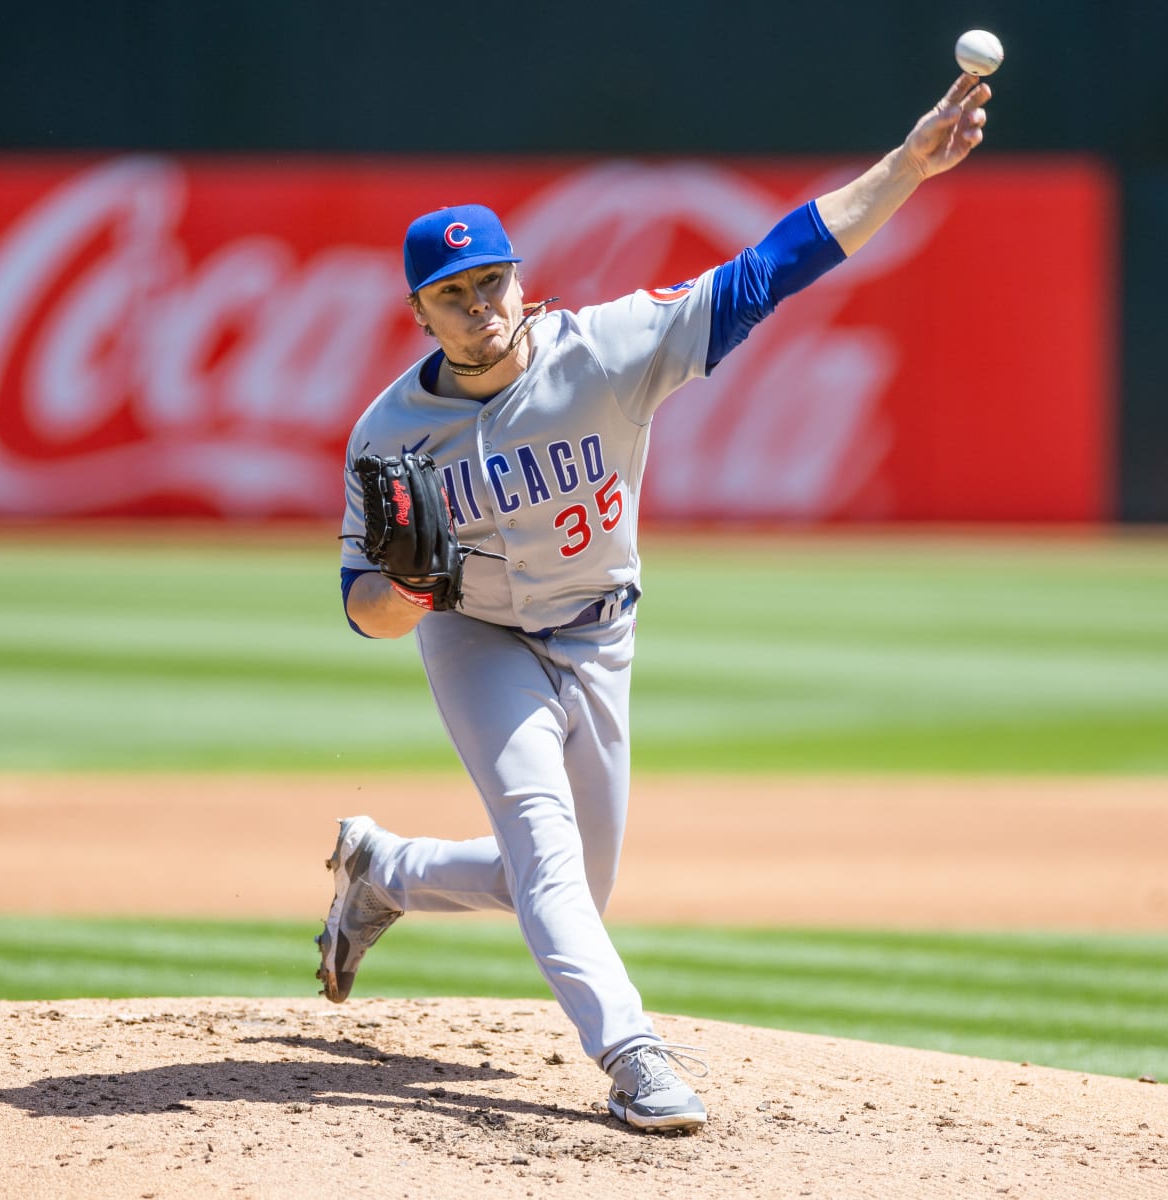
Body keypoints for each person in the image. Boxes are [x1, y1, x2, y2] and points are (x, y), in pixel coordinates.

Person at [319, 73, 992, 1133]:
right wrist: (405, 592)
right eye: (453, 293)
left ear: (519, 281)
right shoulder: (388, 433)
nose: (480, 305)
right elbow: (362, 606)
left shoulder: (609, 350)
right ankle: (634, 1055)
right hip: (478, 637)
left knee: (577, 884)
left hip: (600, 635)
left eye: (492, 281)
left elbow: (776, 267)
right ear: (418, 311)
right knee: (543, 851)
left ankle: (383, 868)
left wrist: (908, 164)